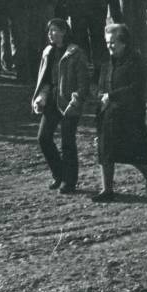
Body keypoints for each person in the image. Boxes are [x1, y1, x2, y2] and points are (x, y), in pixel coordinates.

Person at [92, 24, 147, 202]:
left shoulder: (135, 61)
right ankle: (107, 190)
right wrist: (101, 99)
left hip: (130, 114)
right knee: (105, 151)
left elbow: (136, 88)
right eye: (107, 43)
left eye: (113, 42)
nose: (110, 46)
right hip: (109, 112)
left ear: (124, 42)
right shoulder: (106, 64)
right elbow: (101, 86)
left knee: (130, 151)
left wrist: (111, 96)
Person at [32, 19, 90, 194]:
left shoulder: (76, 53)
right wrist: (40, 97)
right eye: (49, 31)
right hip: (51, 100)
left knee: (68, 142)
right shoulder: (48, 52)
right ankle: (59, 174)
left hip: (68, 103)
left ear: (64, 31)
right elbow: (44, 79)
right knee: (43, 138)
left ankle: (69, 181)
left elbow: (83, 82)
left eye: (55, 30)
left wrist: (76, 101)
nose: (51, 34)